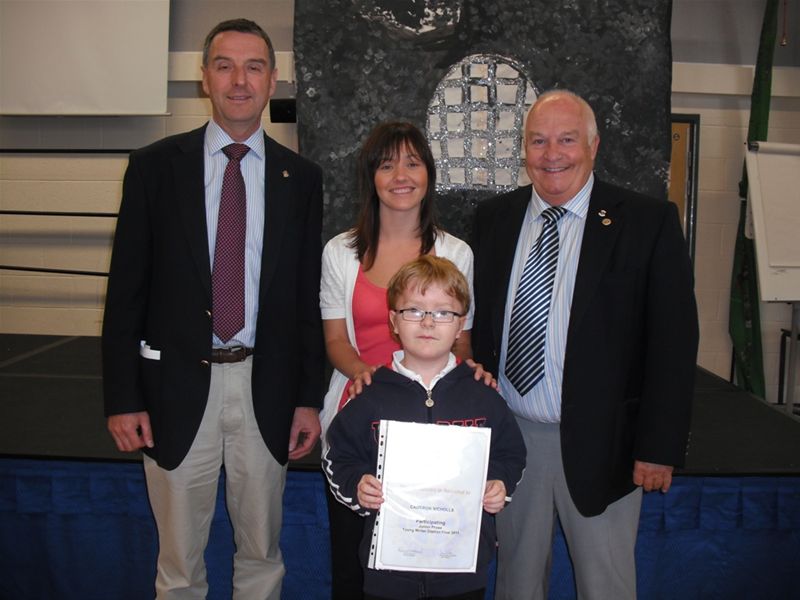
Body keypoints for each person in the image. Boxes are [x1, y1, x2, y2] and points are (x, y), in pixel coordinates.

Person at [102, 18, 324, 600]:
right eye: (224, 65)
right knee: (178, 565)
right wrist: (123, 398)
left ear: (272, 80)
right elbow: (125, 292)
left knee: (261, 555)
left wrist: (308, 396)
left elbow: (305, 298)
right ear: (205, 78)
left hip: (265, 388)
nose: (239, 80)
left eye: (254, 67)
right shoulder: (154, 168)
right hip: (174, 388)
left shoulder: (300, 179)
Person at [471, 89, 699, 600]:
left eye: (567, 139)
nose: (553, 154)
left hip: (606, 445)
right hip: (512, 441)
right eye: (538, 141)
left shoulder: (646, 221)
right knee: (515, 584)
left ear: (594, 145)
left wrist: (658, 447)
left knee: (606, 587)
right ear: (523, 149)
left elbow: (674, 344)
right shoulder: (495, 220)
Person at [319, 121, 483, 599]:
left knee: (427, 571)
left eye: (412, 162)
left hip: (432, 432)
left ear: (428, 173)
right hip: (359, 421)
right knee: (356, 567)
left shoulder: (457, 252)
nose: (400, 175)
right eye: (387, 165)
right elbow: (335, 341)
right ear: (371, 177)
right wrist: (365, 377)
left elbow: (462, 343)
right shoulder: (340, 253)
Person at [323, 255, 527, 600]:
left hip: (461, 573)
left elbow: (511, 454)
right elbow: (338, 456)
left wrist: (499, 485)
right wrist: (358, 486)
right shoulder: (369, 395)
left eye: (443, 312)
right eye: (414, 310)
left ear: (461, 323)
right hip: (388, 574)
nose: (429, 322)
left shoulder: (484, 397)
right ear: (393, 321)